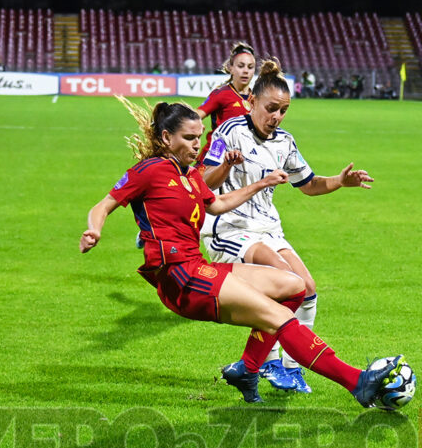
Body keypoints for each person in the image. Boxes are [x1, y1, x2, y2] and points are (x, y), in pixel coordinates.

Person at [79, 98, 405, 407]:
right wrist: (94, 230)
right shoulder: (148, 171)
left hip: (198, 268)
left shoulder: (192, 176)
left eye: (199, 137)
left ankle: (248, 370)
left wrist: (259, 185)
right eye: (189, 138)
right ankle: (357, 383)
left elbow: (217, 204)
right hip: (179, 276)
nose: (197, 144)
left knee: (294, 288)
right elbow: (103, 205)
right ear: (166, 137)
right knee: (279, 319)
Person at [200, 59, 374, 393]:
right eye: (271, 108)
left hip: (267, 228)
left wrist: (339, 181)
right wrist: (225, 165)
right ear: (251, 102)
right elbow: (204, 182)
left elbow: (308, 184)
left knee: (307, 287)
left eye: (283, 110)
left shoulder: (285, 142)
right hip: (230, 226)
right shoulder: (228, 133)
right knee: (284, 280)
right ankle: (269, 362)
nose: (277, 117)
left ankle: (292, 368)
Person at [194, 42, 257, 166]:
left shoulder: (257, 98)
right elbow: (196, 115)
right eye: (241, 66)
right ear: (231, 68)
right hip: (216, 155)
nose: (246, 71)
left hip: (242, 160)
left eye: (250, 67)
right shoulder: (221, 93)